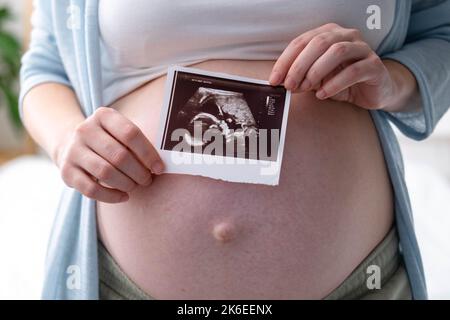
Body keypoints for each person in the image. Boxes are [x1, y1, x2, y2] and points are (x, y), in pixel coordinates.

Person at [20, 0, 450, 300]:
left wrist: (393, 80)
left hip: (358, 283)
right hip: (122, 283)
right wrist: (65, 139)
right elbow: (45, 66)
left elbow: (441, 36)